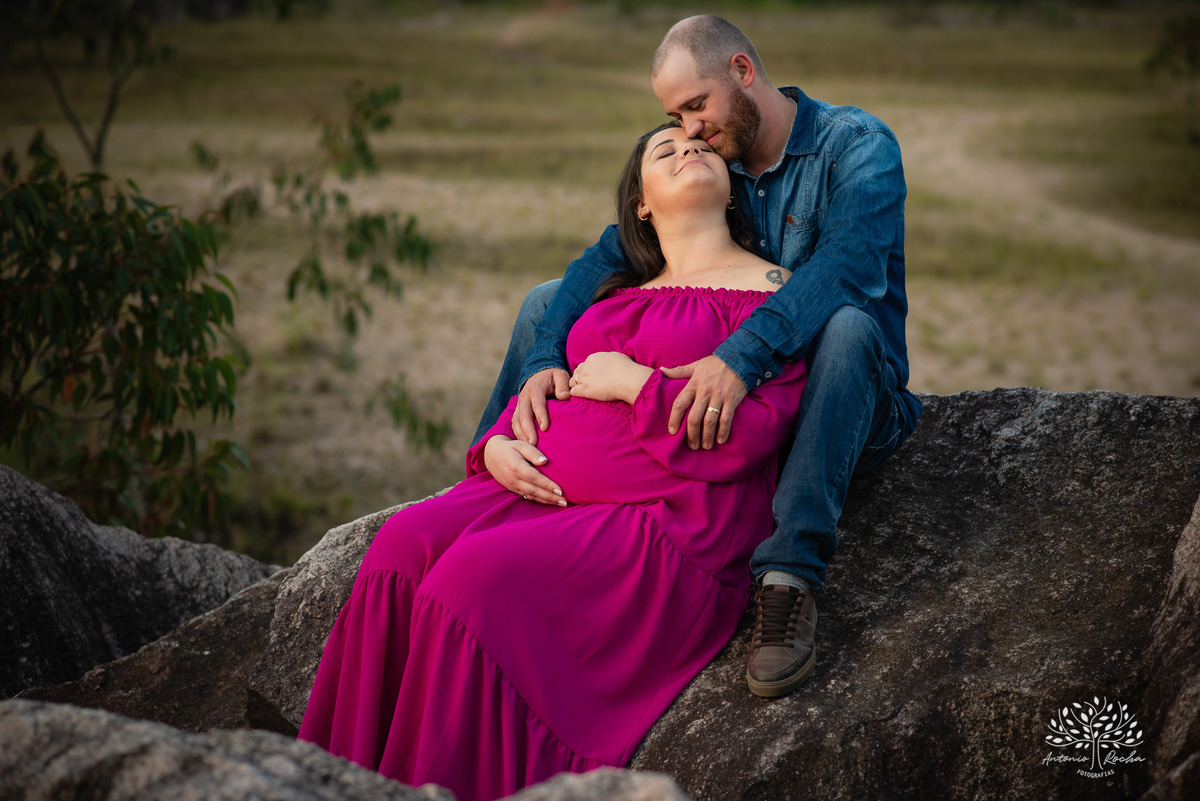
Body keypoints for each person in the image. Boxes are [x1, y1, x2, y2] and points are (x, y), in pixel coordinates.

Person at [298, 122, 808, 801]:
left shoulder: (775, 293)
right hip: (544, 490)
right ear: (642, 206)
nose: (689, 149)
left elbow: (752, 433)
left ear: (733, 187)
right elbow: (551, 390)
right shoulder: (615, 291)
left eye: (702, 148)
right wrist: (499, 445)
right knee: (400, 548)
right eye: (666, 150)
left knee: (471, 585)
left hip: (669, 516)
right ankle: (339, 784)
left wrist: (636, 384)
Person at [473, 15, 921, 699]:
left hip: (842, 396)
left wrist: (739, 358)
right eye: (673, 115)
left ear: (742, 73)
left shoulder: (856, 149)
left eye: (694, 106)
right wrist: (540, 362)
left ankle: (789, 579)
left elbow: (846, 270)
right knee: (545, 301)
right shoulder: (712, 158)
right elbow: (597, 261)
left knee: (849, 326)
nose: (687, 130)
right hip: (737, 417)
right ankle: (491, 464)